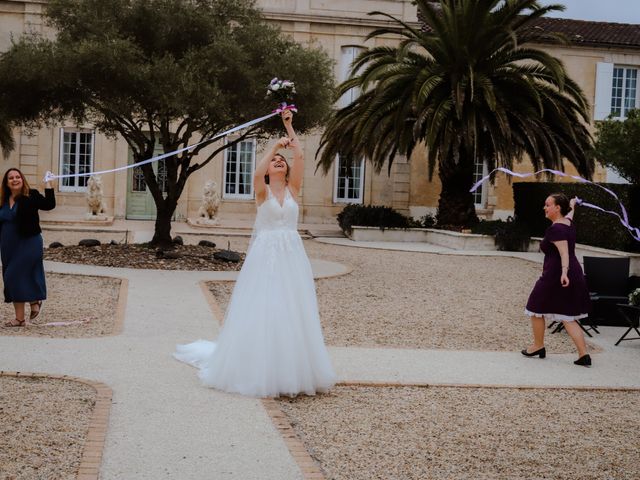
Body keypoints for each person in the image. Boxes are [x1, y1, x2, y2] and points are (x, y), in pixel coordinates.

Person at [174, 110, 336, 397]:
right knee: (265, 305)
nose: (278, 163)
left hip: (291, 254)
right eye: (274, 162)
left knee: (291, 306)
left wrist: (289, 126)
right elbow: (257, 172)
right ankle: (260, 367)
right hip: (266, 255)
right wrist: (274, 147)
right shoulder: (262, 193)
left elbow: (299, 157)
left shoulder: (293, 190)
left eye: (280, 162)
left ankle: (292, 369)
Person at [522, 193, 592, 366]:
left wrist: (563, 273)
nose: (544, 208)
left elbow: (564, 253)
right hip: (572, 273)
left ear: (557, 208)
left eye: (548, 205)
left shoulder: (556, 229)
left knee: (534, 306)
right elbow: (570, 214)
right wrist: (573, 205)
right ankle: (584, 355)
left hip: (557, 276)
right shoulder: (568, 223)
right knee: (568, 315)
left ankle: (538, 346)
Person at [1, 168, 56, 327]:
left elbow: (49, 204)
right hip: (8, 246)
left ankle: (34, 298)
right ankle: (19, 319)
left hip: (29, 242)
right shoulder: (2, 200)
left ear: (22, 179)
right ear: (6, 182)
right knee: (12, 279)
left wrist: (48, 184)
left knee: (12, 275)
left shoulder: (31, 195)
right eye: (11, 178)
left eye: (18, 177)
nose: (15, 179)